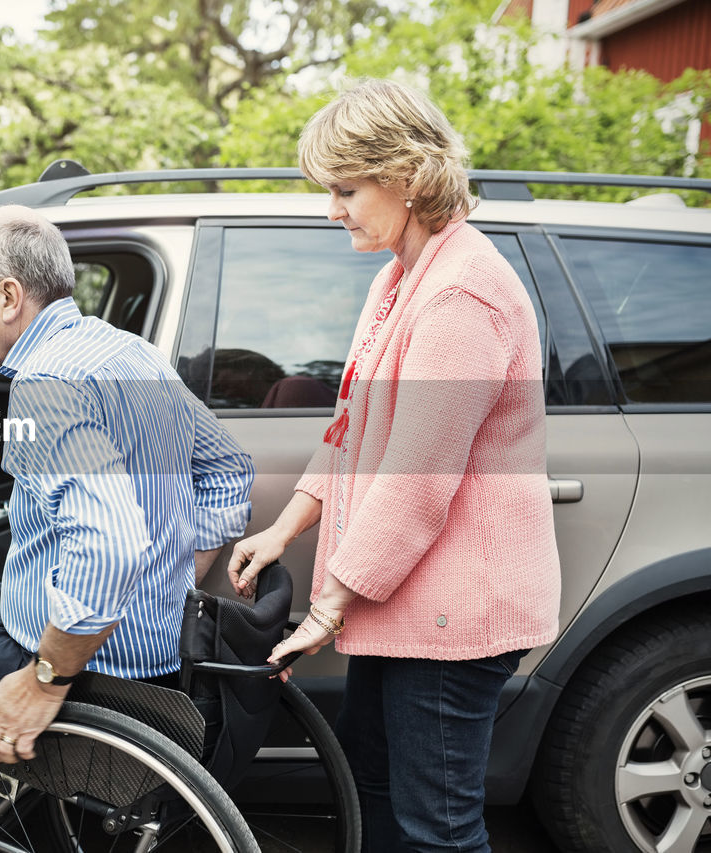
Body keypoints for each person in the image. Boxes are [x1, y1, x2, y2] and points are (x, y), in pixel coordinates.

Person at [0, 204, 255, 852]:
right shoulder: (128, 351)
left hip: (90, 663)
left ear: (7, 296)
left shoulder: (48, 380)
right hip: (130, 638)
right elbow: (228, 468)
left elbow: (109, 544)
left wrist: (44, 680)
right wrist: (173, 578)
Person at [227, 79, 560, 853]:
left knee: (436, 829)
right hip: (402, 604)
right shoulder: (397, 279)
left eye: (345, 188)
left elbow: (416, 479)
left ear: (406, 176)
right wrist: (285, 527)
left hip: (454, 615)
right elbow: (353, 426)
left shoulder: (462, 295)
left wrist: (329, 603)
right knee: (368, 786)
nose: (332, 208)